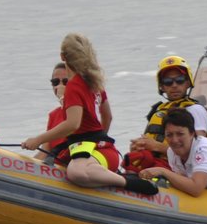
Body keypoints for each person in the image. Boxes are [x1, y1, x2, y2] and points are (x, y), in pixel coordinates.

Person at [21, 33, 155, 194]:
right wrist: (99, 141)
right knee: (72, 169)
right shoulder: (94, 81)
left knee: (75, 172)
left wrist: (38, 139)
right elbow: (108, 117)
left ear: (63, 56)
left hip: (98, 154)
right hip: (103, 151)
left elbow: (73, 124)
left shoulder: (74, 86)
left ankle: (129, 183)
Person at [126, 54, 207, 171]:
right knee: (131, 160)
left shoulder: (195, 110)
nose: (174, 85)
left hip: (180, 168)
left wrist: (156, 147)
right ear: (162, 86)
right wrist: (139, 146)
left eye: (179, 80)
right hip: (154, 161)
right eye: (168, 81)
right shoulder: (159, 110)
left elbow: (198, 150)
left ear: (187, 83)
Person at [42, 61, 72, 159]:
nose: (59, 86)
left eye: (65, 82)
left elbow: (74, 122)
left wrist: (62, 97)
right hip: (55, 166)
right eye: (55, 82)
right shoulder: (53, 115)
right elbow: (45, 151)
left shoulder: (83, 109)